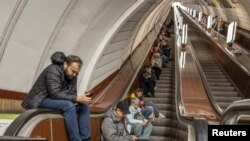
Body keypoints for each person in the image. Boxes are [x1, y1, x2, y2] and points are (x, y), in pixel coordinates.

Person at [22, 52, 92, 141]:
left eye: (76, 73)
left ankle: (86, 139)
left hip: (55, 99)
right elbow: (54, 93)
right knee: (68, 105)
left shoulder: (73, 75)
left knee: (84, 107)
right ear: (65, 64)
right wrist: (76, 98)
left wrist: (80, 100)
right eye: (73, 71)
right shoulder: (53, 70)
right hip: (41, 99)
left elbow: (72, 93)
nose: (74, 74)